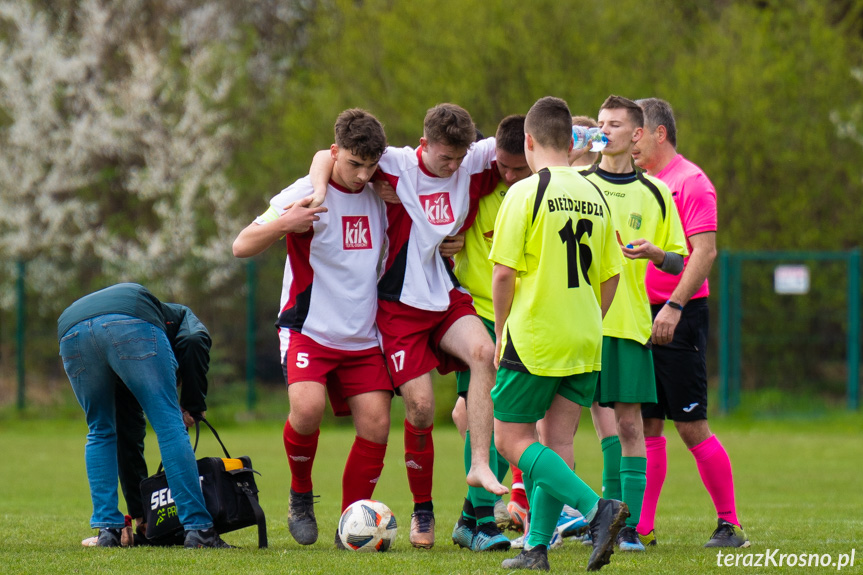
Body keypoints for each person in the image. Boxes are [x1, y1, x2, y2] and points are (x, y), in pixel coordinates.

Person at [309, 103, 507, 549]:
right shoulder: (395, 163)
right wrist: (320, 192)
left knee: (484, 353)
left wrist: (596, 139)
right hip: (399, 307)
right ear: (424, 145)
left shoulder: (472, 159)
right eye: (444, 159)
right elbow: (328, 154)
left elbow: (529, 134)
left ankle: (479, 462)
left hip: (445, 296)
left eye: (459, 158)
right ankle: (423, 509)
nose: (453, 167)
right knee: (418, 408)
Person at [232, 108, 393, 548]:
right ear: (335, 152)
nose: (362, 175)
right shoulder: (306, 193)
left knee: (378, 426)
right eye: (353, 164)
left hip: (363, 336)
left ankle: (350, 525)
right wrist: (286, 224)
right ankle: (300, 496)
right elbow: (241, 244)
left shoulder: (384, 190)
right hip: (309, 330)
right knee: (306, 410)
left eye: (371, 165)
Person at [490, 96, 627, 572]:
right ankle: (536, 549)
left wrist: (501, 328)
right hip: (586, 337)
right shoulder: (596, 194)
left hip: (535, 338)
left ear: (528, 141)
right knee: (556, 442)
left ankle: (597, 510)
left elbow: (504, 275)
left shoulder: (525, 193)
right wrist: (588, 317)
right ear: (572, 141)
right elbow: (611, 277)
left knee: (510, 440)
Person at [632, 97, 749, 548]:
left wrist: (674, 306)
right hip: (639, 317)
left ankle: (730, 524)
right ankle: (641, 527)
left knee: (690, 423)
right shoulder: (641, 184)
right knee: (647, 425)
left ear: (659, 133)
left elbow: (705, 252)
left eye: (637, 132)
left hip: (678, 314)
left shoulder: (691, 181)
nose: (632, 142)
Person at [579, 95, 688, 552]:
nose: (604, 131)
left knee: (629, 428)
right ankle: (564, 529)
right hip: (577, 325)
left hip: (626, 325)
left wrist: (654, 253)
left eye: (615, 124)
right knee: (558, 429)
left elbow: (679, 259)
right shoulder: (577, 183)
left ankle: (629, 529)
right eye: (600, 123)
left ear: (636, 134)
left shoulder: (657, 192)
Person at [58, 282, 228, 549]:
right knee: (169, 425)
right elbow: (194, 341)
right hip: (129, 321)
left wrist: (141, 515)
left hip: (71, 328)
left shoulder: (161, 319)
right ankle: (199, 529)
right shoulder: (184, 317)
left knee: (101, 430)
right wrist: (192, 406)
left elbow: (130, 430)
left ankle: (109, 531)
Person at [448, 114, 532, 552]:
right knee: (494, 416)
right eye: (505, 167)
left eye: (520, 168)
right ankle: (481, 521)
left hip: (529, 319)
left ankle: (470, 517)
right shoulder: (473, 186)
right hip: (479, 315)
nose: (512, 175)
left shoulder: (543, 193)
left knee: (509, 421)